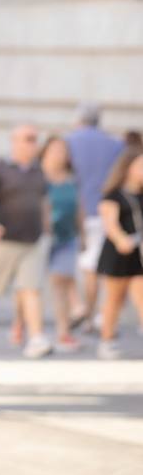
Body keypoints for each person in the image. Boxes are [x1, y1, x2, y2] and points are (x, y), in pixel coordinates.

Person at [0, 126, 52, 358]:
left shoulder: (38, 171)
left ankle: (36, 338)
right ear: (14, 141)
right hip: (4, 240)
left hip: (32, 241)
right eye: (28, 139)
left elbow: (44, 203)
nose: (33, 144)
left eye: (35, 139)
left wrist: (47, 231)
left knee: (31, 289)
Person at [65, 103, 124, 332]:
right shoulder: (114, 144)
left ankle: (90, 315)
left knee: (88, 269)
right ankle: (100, 315)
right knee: (106, 267)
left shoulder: (69, 142)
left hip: (80, 213)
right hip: (109, 211)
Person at [94, 146, 143, 360]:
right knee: (114, 300)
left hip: (139, 255)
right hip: (118, 255)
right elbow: (110, 224)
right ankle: (107, 340)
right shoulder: (113, 194)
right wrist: (122, 239)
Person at [41, 136, 84, 353]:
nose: (60, 154)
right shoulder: (38, 176)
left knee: (62, 280)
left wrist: (83, 234)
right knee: (30, 286)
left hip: (67, 238)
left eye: (63, 150)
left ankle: (63, 333)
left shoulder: (71, 179)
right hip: (40, 238)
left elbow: (79, 208)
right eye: (55, 149)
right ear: (46, 151)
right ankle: (20, 324)